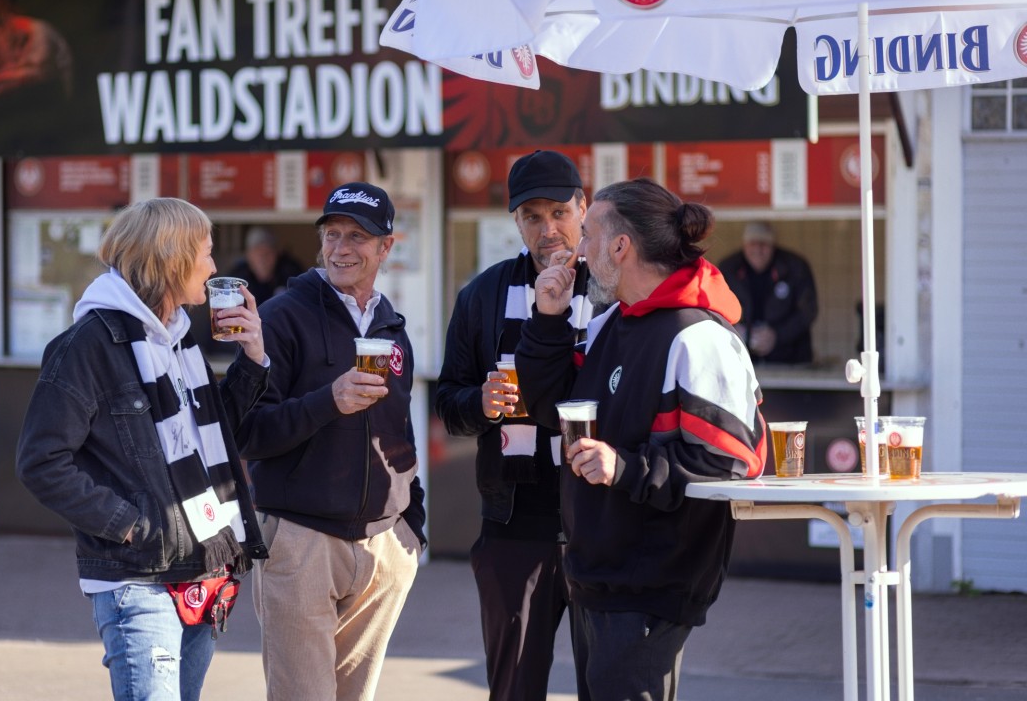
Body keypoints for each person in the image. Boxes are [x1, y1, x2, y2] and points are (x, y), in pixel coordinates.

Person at [517, 178, 767, 701]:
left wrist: (624, 467)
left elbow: (728, 464)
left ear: (620, 246)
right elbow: (550, 409)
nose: (576, 250)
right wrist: (546, 321)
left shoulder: (698, 337)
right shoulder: (611, 323)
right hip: (595, 577)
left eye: (585, 236)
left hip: (652, 585)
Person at [16, 197, 270, 701]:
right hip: (139, 579)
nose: (216, 267)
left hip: (200, 571)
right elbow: (41, 461)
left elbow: (215, 436)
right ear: (172, 259)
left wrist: (253, 358)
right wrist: (131, 526)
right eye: (207, 252)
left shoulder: (178, 338)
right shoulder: (87, 345)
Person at [234, 181, 426, 701]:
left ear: (386, 247)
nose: (342, 248)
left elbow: (399, 430)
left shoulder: (391, 326)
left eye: (358, 237)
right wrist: (328, 401)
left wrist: (412, 520)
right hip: (301, 542)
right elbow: (248, 433)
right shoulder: (281, 317)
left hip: (383, 546)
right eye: (333, 234)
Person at [436, 149, 594, 700]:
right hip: (514, 523)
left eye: (558, 212)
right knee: (514, 689)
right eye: (532, 216)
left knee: (611, 685)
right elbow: (448, 404)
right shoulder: (482, 296)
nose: (547, 228)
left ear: (584, 206)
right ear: (517, 223)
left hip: (605, 520)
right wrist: (479, 402)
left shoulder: (617, 289)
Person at [718, 221, 818, 364]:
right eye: (753, 243)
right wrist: (733, 329)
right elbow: (715, 308)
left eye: (764, 243)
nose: (758, 249)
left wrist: (777, 335)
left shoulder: (795, 267)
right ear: (744, 245)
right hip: (741, 359)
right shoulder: (729, 268)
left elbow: (808, 310)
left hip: (790, 359)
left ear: (773, 246)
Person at [227, 225, 304, 306]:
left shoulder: (291, 274)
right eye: (258, 252)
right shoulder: (236, 278)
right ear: (248, 255)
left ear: (276, 254)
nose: (263, 258)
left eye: (268, 252)